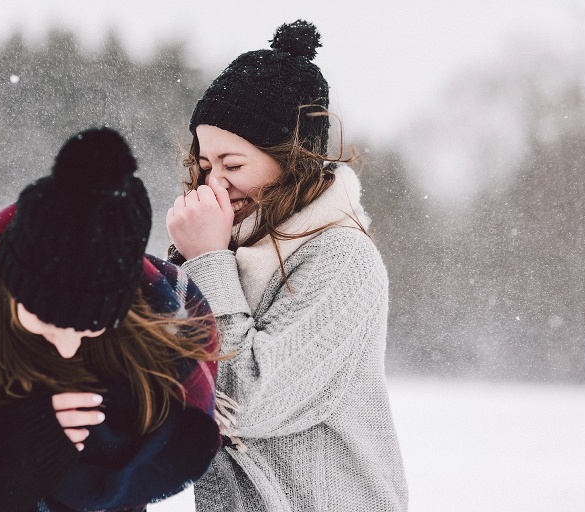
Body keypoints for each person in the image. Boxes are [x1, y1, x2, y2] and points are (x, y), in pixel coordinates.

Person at [0, 127, 222, 512]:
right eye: (46, 321)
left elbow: (175, 453)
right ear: (11, 285)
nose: (66, 345)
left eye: (90, 327)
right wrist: (0, 459)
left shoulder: (160, 338)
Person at [166, 20, 408, 511]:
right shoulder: (229, 249)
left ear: (291, 159)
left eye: (232, 166)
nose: (215, 184)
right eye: (205, 163)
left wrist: (208, 262)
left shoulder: (342, 258)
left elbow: (242, 401)